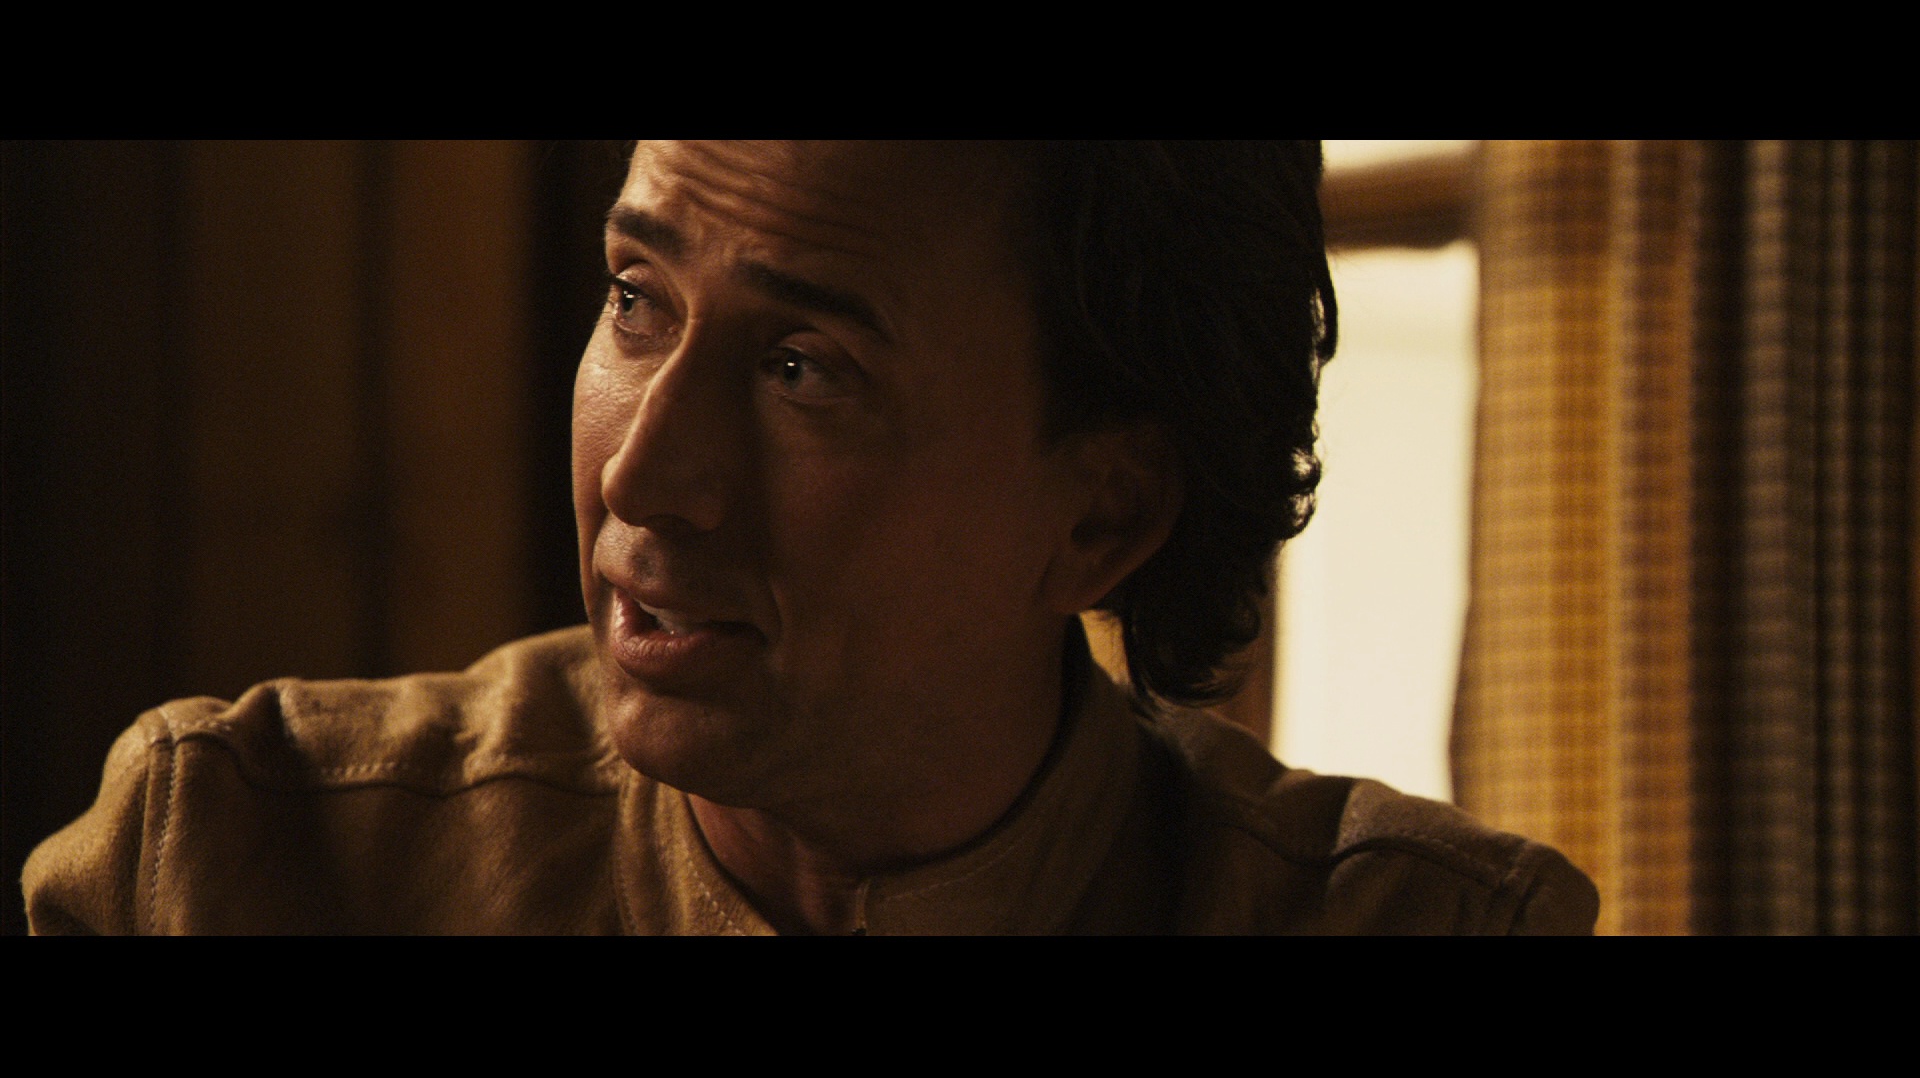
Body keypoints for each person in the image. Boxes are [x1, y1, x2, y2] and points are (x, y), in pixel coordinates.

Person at [23, 141, 1598, 934]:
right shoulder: (242, 864)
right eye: (635, 300)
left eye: (804, 370)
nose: (648, 474)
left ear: (1103, 511)